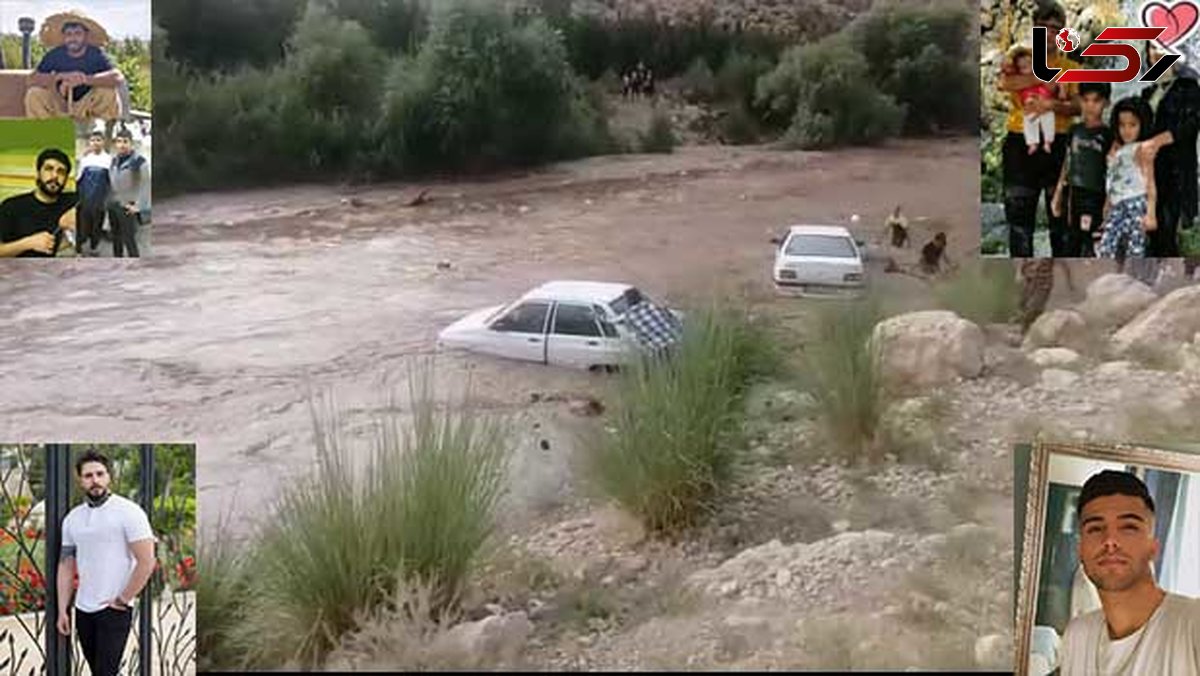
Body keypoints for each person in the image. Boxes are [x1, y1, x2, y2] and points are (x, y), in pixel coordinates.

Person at [1058, 470, 1200, 675]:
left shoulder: (1191, 623)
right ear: (1080, 550)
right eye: (1095, 528)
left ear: (1153, 547)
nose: (1110, 541)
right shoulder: (1078, 635)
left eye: (1128, 527)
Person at [56, 450, 156, 676]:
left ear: (109, 476)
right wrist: (63, 610)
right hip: (83, 609)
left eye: (100, 474)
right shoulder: (73, 518)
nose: (95, 480)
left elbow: (147, 561)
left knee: (105, 672)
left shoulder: (129, 512)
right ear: (80, 480)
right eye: (88, 475)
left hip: (114, 608)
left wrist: (123, 599)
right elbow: (66, 565)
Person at [999, 3, 1081, 257]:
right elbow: (1006, 83)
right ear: (1034, 29)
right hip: (1019, 144)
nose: (1049, 33)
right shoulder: (1016, 61)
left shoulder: (1071, 68)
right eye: (1043, 28)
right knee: (1019, 222)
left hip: (1058, 145)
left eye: (1055, 29)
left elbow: (1078, 107)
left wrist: (1052, 104)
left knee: (1062, 225)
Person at [1140, 42, 1200, 258]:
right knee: (1151, 235)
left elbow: (1191, 124)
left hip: (1177, 173)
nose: (1156, 53)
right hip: (1149, 175)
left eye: (1163, 47)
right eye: (1152, 48)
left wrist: (1157, 141)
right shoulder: (1147, 91)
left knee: (1171, 231)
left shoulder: (1190, 87)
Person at [1096, 97, 1173, 264]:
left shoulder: (1142, 150)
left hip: (1136, 203)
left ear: (1142, 125)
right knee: (1107, 247)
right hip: (1116, 204)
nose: (1126, 130)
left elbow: (1150, 183)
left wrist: (1151, 213)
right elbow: (1113, 180)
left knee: (1135, 249)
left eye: (1132, 125)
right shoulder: (1116, 150)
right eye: (1122, 125)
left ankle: (1133, 283)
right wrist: (1107, 204)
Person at [24, 11, 124, 122]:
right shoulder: (55, 54)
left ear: (85, 36)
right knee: (34, 94)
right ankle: (46, 135)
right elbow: (32, 79)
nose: (73, 38)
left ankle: (103, 134)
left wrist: (84, 79)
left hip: (87, 107)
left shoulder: (95, 54)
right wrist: (60, 76)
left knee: (108, 93)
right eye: (69, 34)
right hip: (59, 104)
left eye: (77, 33)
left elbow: (117, 77)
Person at [1052, 82, 1113, 257]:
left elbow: (1112, 171)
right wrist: (1057, 194)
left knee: (1092, 241)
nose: (1090, 106)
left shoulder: (1108, 135)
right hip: (1072, 194)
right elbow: (1067, 160)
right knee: (1071, 239)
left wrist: (1108, 202)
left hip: (1096, 195)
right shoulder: (1074, 130)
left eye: (1096, 101)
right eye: (1086, 101)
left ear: (1106, 103)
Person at [0, 149, 78, 257]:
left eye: (61, 171)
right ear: (38, 173)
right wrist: (28, 243)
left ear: (65, 179)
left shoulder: (73, 200)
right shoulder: (11, 206)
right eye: (48, 169)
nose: (54, 176)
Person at [1005, 45, 1062, 155]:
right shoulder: (1020, 80)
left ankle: (1048, 141)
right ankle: (1032, 143)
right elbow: (1005, 82)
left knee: (1049, 119)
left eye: (1030, 64)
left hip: (1044, 102)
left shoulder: (1045, 72)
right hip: (1030, 104)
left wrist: (1060, 91)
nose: (1028, 68)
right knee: (1029, 121)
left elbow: (1057, 81)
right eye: (1023, 67)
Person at [106, 128, 150, 258]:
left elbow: (146, 185)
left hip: (128, 207)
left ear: (131, 143)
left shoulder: (139, 162)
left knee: (129, 240)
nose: (122, 145)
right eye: (119, 141)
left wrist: (139, 206)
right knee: (116, 239)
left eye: (125, 141)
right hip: (113, 205)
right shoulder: (114, 161)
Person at [76, 130, 112, 256]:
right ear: (89, 143)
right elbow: (78, 178)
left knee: (97, 225)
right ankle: (79, 249)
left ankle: (94, 247)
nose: (95, 143)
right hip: (85, 200)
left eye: (98, 140)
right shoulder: (85, 159)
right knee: (82, 226)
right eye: (93, 140)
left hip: (100, 201)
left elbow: (111, 182)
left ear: (103, 142)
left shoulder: (108, 160)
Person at [1017, 257, 1055, 331]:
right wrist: (1020, 272)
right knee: (1023, 305)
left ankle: (1030, 329)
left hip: (1043, 282)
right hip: (1029, 278)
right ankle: (1025, 329)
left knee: (1036, 307)